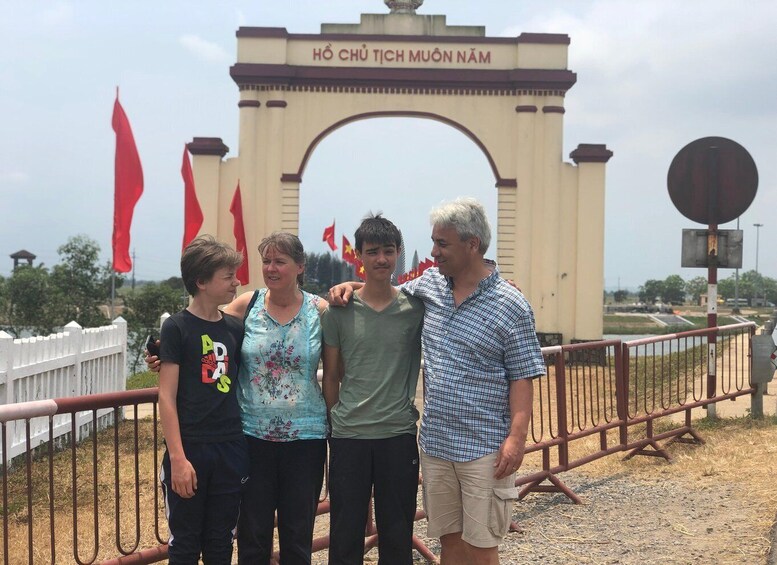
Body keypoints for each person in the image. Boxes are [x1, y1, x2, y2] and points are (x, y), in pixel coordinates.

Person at [330, 198, 545, 565]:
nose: (433, 252)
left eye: (442, 244)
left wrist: (516, 439)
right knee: (450, 541)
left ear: (472, 244)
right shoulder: (430, 285)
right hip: (437, 444)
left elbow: (522, 376)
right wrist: (348, 285)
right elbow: (381, 285)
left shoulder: (511, 304)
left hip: (485, 447)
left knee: (482, 546)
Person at [150, 232, 328, 565]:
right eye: (266, 261)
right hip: (250, 438)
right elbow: (198, 325)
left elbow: (359, 305)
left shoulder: (321, 311)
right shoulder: (246, 306)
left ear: (300, 266)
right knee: (250, 534)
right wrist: (164, 354)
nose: (270, 268)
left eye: (280, 261)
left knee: (294, 534)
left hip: (303, 439)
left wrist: (355, 286)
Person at [321, 214, 424, 565]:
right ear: (359, 256)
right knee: (345, 534)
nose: (382, 259)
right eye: (373, 251)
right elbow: (331, 375)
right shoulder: (338, 311)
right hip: (349, 436)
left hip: (397, 434)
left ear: (398, 254)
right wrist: (335, 421)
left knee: (397, 534)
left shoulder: (415, 309)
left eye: (389, 251)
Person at [157, 235, 249, 564]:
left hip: (231, 446)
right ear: (201, 282)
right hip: (191, 447)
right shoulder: (176, 328)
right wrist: (178, 460)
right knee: (185, 541)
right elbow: (166, 398)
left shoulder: (235, 329)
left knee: (221, 540)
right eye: (227, 276)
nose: (236, 282)